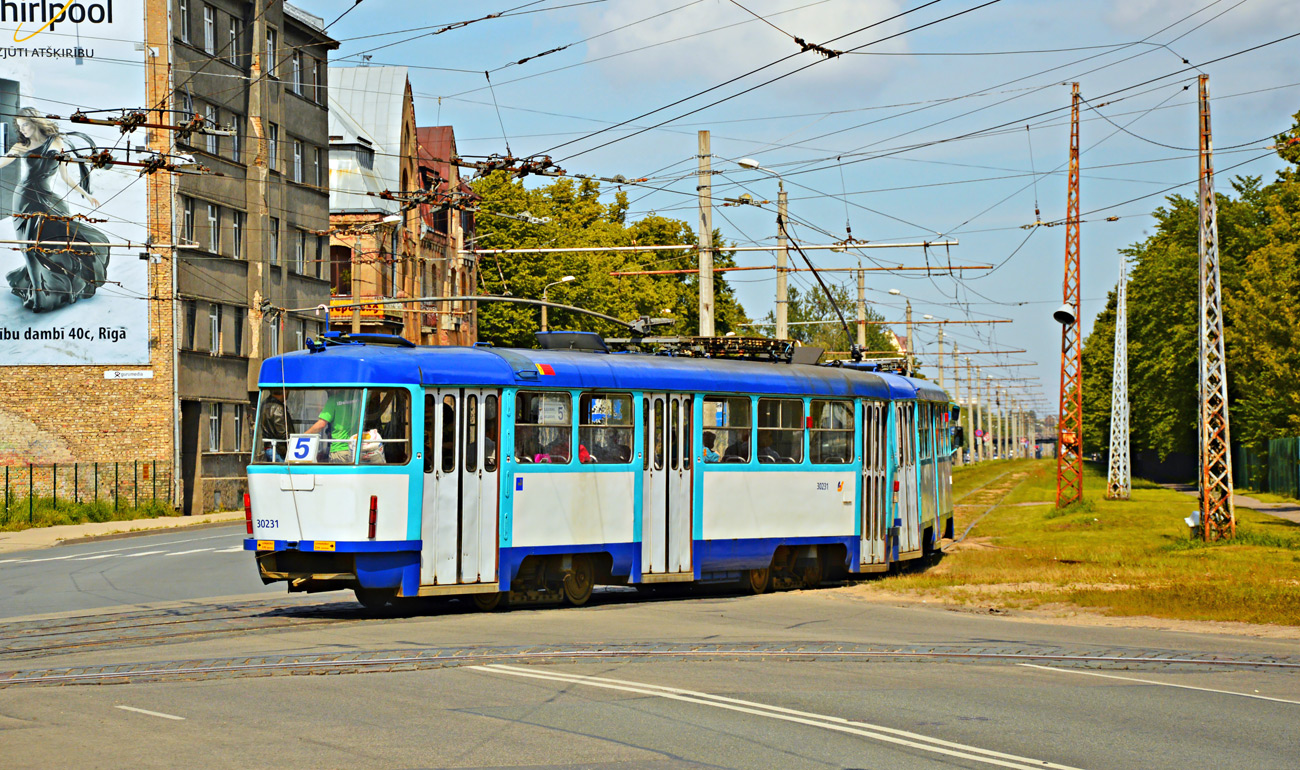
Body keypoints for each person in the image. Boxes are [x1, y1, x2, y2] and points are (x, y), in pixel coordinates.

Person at [0, 108, 109, 312]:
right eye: (19, 126)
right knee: (30, 249)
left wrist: (86, 194)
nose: (22, 130)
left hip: (48, 198)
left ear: (36, 123)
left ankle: (60, 285)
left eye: (26, 124)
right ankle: (41, 297)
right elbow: (3, 161)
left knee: (61, 239)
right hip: (25, 197)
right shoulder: (21, 146)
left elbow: (65, 176)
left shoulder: (56, 142)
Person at [303, 390, 360, 463]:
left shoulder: (333, 400)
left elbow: (321, 424)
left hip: (339, 450)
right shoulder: (358, 397)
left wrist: (303, 436)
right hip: (356, 449)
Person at [259, 391, 289, 461]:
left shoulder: (264, 404)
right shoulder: (278, 407)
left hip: (268, 447)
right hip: (277, 450)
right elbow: (281, 433)